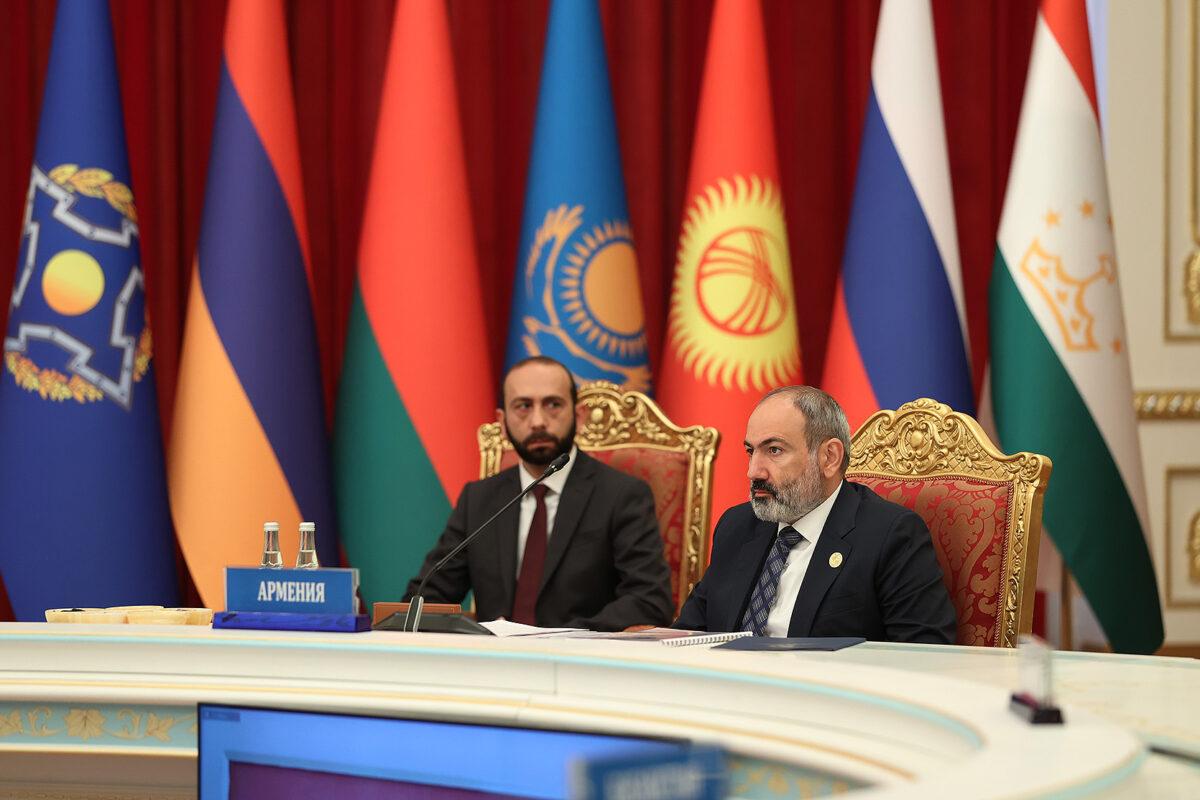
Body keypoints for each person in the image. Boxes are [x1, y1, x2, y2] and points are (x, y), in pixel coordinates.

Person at [405, 356, 674, 631]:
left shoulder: (622, 496)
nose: (538, 421)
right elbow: (427, 597)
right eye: (523, 406)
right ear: (502, 422)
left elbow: (649, 601)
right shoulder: (480, 500)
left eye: (553, 405)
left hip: (582, 665)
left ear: (578, 416)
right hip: (494, 667)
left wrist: (562, 638)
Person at [674, 386, 956, 643]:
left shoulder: (890, 536)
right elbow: (689, 634)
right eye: (751, 451)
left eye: (774, 450)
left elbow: (925, 653)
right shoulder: (738, 526)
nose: (754, 471)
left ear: (829, 458)